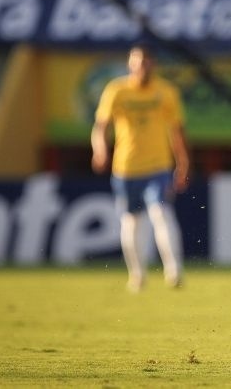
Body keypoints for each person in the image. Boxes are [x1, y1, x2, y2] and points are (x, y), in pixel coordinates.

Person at [91, 44, 191, 292]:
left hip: (158, 166)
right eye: (137, 62)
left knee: (161, 213)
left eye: (146, 62)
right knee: (131, 222)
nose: (142, 67)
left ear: (152, 64)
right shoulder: (117, 90)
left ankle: (174, 271)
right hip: (126, 168)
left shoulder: (166, 92)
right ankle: (137, 274)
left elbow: (177, 131)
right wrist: (100, 150)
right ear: (130, 65)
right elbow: (101, 126)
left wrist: (183, 162)